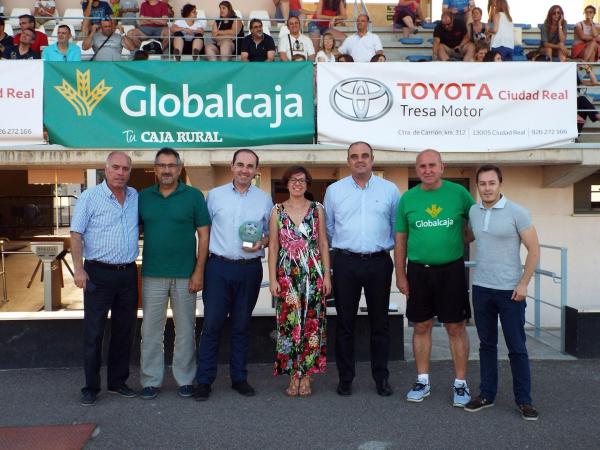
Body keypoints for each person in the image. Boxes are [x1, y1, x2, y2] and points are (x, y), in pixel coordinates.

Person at [394, 149, 475, 407]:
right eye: (422, 166)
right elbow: (400, 240)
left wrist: (456, 238)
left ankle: (460, 384)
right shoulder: (407, 199)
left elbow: (477, 225)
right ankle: (422, 380)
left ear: (442, 167)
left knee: (456, 327)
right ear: (416, 170)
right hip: (418, 272)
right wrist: (401, 275)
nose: (427, 170)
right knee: (421, 326)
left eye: (432, 165)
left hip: (451, 270)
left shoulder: (459, 194)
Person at [194, 149, 273, 401]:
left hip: (249, 269)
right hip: (218, 268)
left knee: (241, 326)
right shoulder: (214, 196)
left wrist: (263, 241)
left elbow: (272, 234)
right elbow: (203, 232)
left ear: (256, 170)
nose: (244, 170)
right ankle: (204, 380)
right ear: (232, 166)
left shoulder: (264, 199)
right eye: (240, 164)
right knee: (212, 325)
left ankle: (239, 377)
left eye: (250, 166)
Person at [324, 141, 401, 397]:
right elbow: (330, 228)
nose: (360, 160)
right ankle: (346, 378)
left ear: (372, 159)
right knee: (345, 323)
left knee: (380, 323)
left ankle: (382, 378)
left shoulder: (390, 190)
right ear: (348, 161)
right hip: (346, 262)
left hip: (379, 262)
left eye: (364, 156)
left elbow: (395, 226)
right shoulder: (334, 191)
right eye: (354, 156)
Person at [464, 164, 540, 421]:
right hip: (482, 288)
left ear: (500, 184)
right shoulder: (474, 211)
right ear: (477, 186)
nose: (487, 188)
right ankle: (487, 394)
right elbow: (468, 237)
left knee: (517, 347)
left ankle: (524, 401)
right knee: (486, 345)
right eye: (482, 184)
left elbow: (534, 250)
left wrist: (523, 283)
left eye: (491, 183)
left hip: (510, 291)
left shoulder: (517, 212)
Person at [138, 148, 210, 400]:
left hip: (185, 275)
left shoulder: (193, 196)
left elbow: (204, 234)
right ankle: (150, 380)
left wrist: (199, 271)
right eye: (162, 165)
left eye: (171, 165)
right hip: (152, 274)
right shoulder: (143, 197)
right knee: (150, 331)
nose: (166, 170)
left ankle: (185, 379)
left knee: (185, 330)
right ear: (155, 169)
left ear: (179, 168)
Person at [70, 151, 139, 407]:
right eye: (116, 168)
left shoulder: (135, 196)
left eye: (125, 169)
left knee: (124, 331)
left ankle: (117, 382)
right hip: (98, 272)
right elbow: (76, 235)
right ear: (106, 169)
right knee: (94, 332)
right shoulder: (90, 197)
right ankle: (90, 386)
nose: (121, 173)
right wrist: (79, 269)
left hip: (128, 274)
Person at [269, 166, 331, 397]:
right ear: (286, 183)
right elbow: (274, 245)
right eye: (293, 180)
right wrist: (272, 278)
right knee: (289, 325)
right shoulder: (277, 210)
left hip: (313, 275)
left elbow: (323, 243)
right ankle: (293, 375)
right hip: (287, 275)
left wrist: (327, 275)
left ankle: (306, 375)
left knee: (312, 325)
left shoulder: (317, 209)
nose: (297, 183)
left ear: (307, 184)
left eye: (302, 180)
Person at [577, 65, 600, 134]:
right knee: (582, 99)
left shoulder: (577, 79)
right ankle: (596, 115)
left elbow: (594, 82)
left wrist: (588, 69)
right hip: (566, 102)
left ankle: (576, 135)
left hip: (578, 103)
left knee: (583, 105)